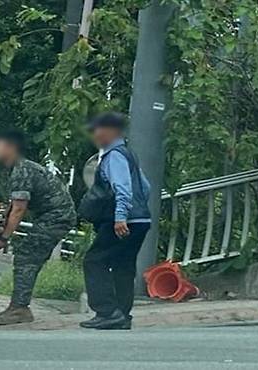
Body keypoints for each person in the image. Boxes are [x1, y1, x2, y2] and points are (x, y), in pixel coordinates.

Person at [0, 129, 76, 326]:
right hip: (53, 216)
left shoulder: (22, 170)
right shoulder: (18, 168)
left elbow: (19, 209)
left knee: (26, 256)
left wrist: (4, 237)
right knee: (28, 255)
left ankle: (19, 308)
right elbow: (13, 206)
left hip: (56, 216)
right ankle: (18, 306)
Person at [78, 112, 151, 330]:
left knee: (94, 260)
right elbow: (145, 188)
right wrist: (136, 210)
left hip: (121, 221)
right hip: (141, 219)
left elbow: (122, 189)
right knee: (123, 265)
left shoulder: (113, 156)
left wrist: (121, 217)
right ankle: (122, 315)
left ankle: (107, 311)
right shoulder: (129, 154)